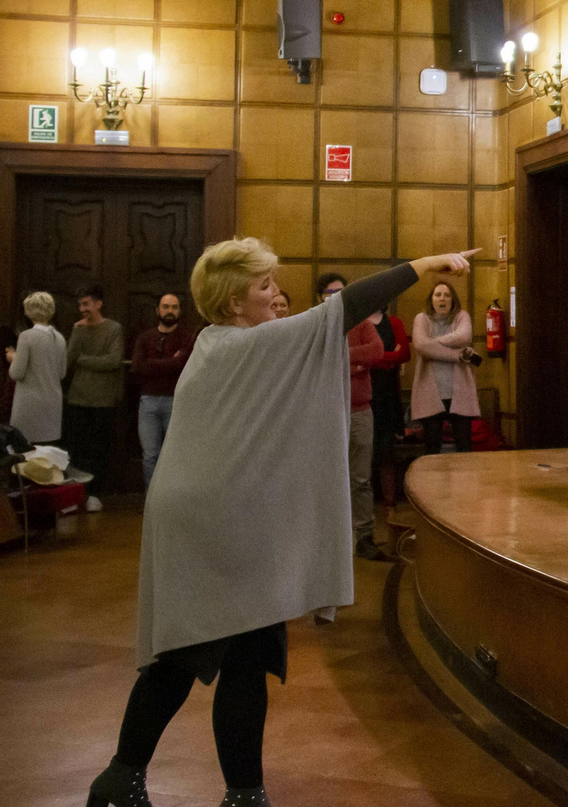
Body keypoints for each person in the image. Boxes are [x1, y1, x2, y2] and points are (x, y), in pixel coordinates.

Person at [86, 240, 475, 807]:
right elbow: (341, 310)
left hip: (219, 519)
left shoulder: (222, 343)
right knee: (191, 653)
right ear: (232, 298)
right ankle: (136, 783)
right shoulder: (248, 343)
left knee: (239, 653)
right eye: (264, 287)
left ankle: (225, 791)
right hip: (212, 525)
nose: (275, 297)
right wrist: (419, 267)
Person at [64, 286, 125, 512]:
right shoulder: (78, 329)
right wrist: (76, 333)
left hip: (102, 400)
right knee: (76, 449)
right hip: (77, 397)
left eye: (86, 304)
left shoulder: (113, 328)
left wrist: (84, 360)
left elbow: (113, 360)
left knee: (98, 449)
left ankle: (94, 494)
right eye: (80, 305)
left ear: (98, 304)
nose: (82, 309)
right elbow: (68, 360)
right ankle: (73, 495)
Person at [129, 294, 195, 485]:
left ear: (180, 311)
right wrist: (171, 362)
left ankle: (173, 499)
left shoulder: (187, 337)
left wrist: (154, 364)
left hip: (176, 400)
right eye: (166, 307)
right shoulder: (145, 337)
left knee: (175, 454)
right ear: (158, 310)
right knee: (150, 455)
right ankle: (152, 499)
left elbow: (182, 365)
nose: (170, 311)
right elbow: (138, 367)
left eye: (174, 307)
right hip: (148, 401)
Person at [411, 281, 480, 455]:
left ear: (453, 300)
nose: (443, 299)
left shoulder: (461, 316)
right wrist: (456, 355)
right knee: (432, 449)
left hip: (459, 392)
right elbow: (419, 345)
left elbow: (464, 336)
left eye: (447, 295)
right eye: (438, 295)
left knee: (464, 447)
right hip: (431, 394)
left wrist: (431, 344)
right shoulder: (422, 318)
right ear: (431, 299)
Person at [346, 308, 386, 560]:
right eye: (328, 292)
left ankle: (364, 538)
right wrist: (354, 364)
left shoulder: (361, 324)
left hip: (360, 411)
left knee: (360, 479)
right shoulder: (317, 325)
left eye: (338, 291)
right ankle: (329, 541)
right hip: (326, 412)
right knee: (326, 480)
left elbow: (376, 351)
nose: (332, 295)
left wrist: (339, 356)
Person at [368, 304, 411, 519]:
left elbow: (404, 352)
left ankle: (389, 504)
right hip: (363, 395)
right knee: (363, 452)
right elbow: (359, 356)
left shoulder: (394, 322)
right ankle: (364, 507)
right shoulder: (359, 323)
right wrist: (386, 358)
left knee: (387, 450)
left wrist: (377, 358)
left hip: (388, 395)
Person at [8, 291, 67, 445]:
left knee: (27, 453)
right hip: (53, 402)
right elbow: (62, 372)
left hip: (29, 403)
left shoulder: (27, 336)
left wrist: (13, 357)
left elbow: (16, 373)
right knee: (47, 452)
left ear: (28, 311)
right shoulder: (59, 338)